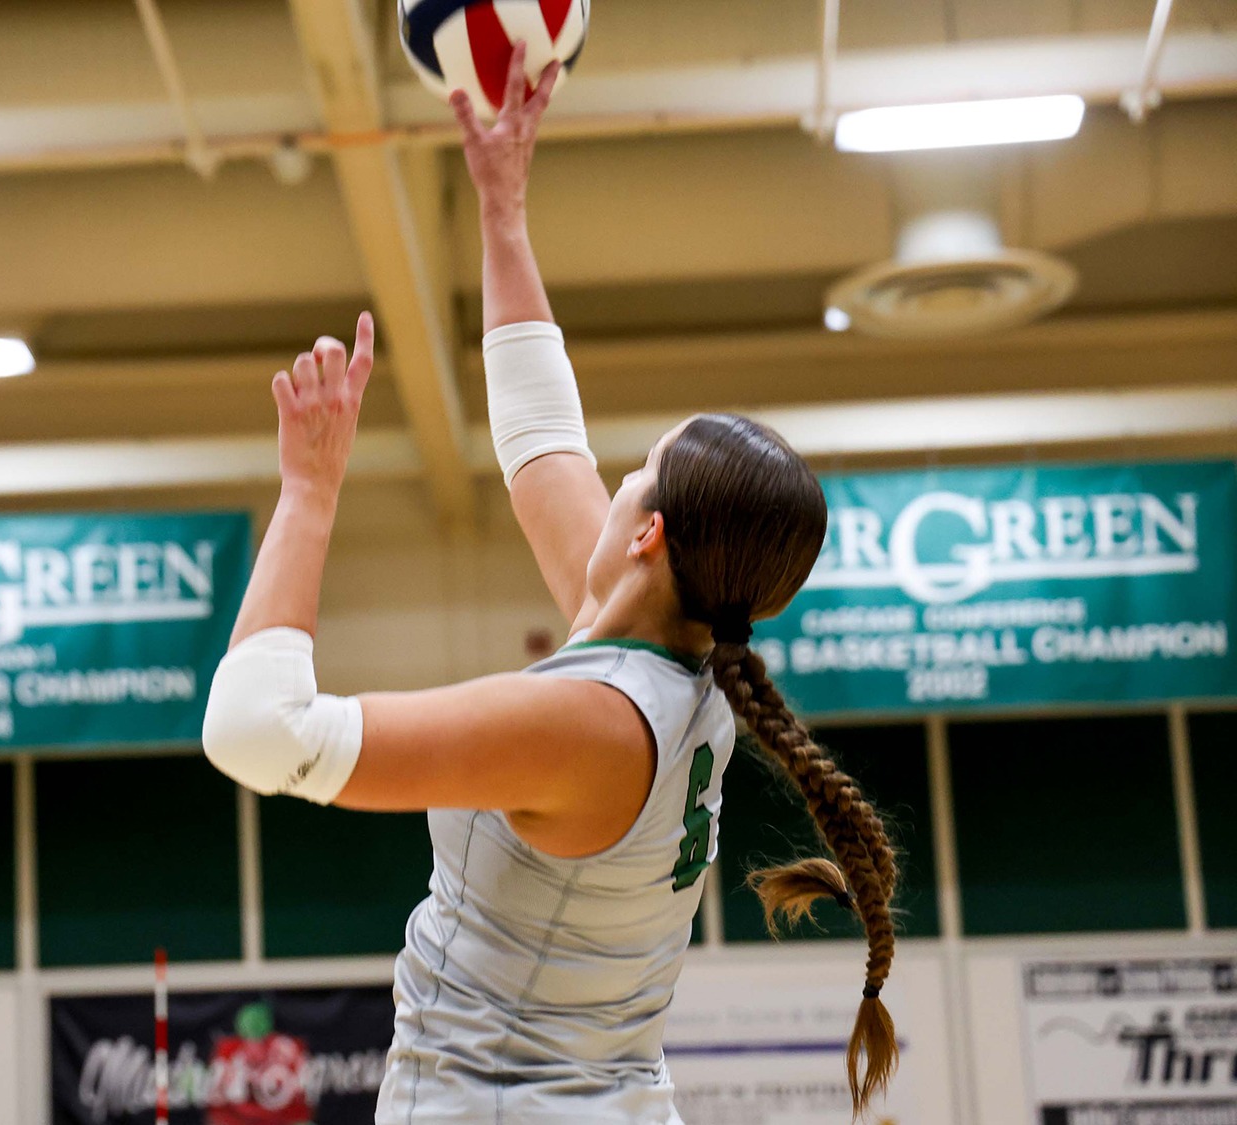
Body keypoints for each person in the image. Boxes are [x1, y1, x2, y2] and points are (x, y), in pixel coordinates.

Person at [200, 45, 900, 1125]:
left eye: (636, 469)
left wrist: (308, 495)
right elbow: (538, 433)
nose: (608, 479)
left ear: (647, 531)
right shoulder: (679, 667)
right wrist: (500, 210)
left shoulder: (581, 725)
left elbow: (259, 734)